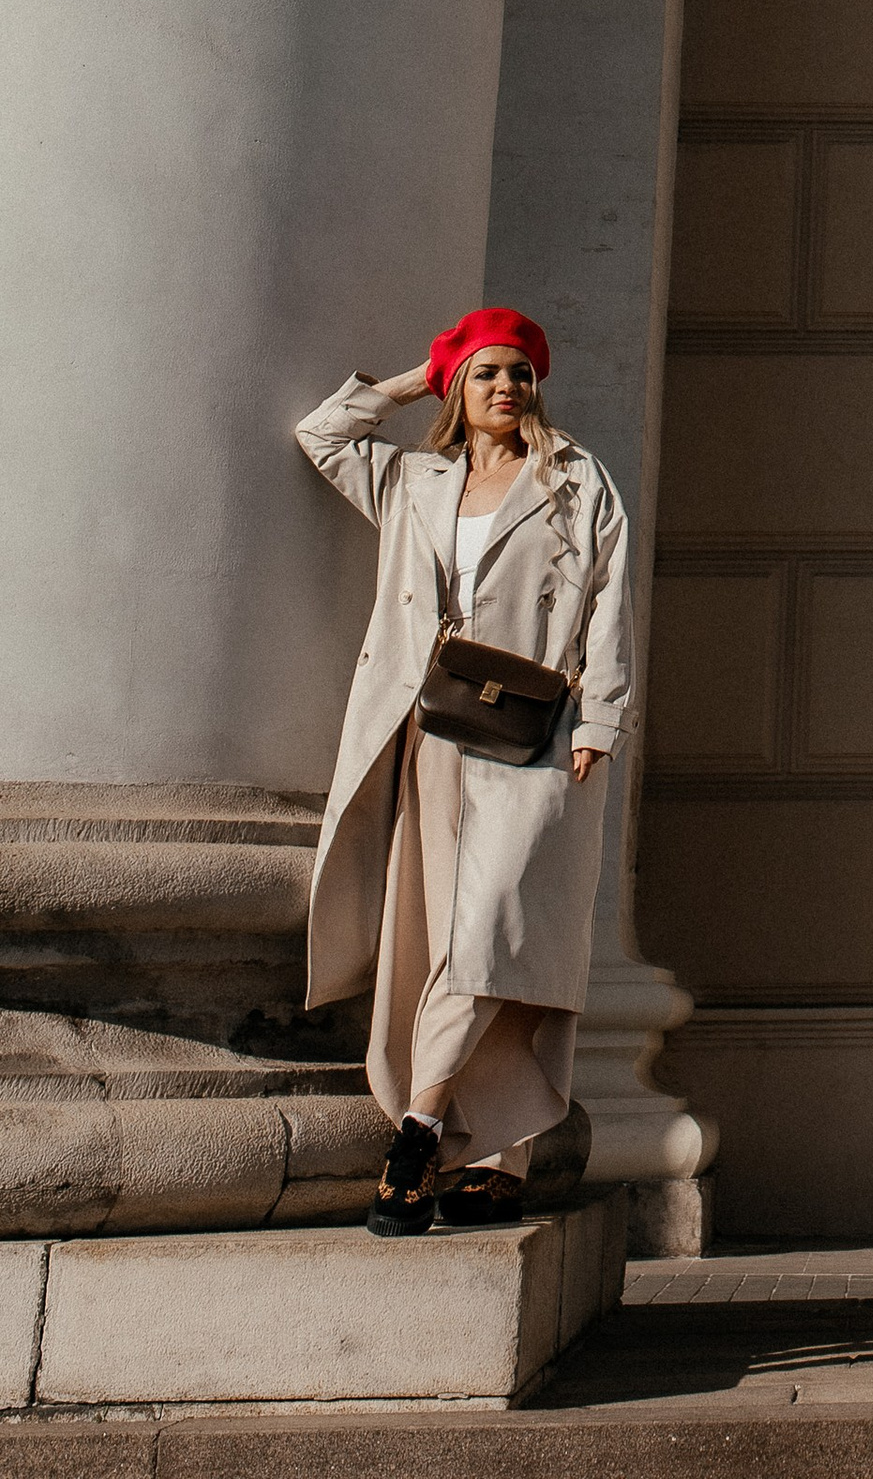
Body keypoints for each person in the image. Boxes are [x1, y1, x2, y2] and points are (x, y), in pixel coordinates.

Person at [296, 309, 630, 1237]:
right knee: (447, 934)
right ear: (458, 386)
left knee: (492, 931)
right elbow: (322, 436)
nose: (505, 389)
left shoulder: (574, 481)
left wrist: (602, 716)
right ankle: (492, 1156)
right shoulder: (416, 479)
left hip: (540, 735)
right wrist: (413, 375)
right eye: (484, 373)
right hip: (435, 729)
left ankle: (418, 1132)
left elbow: (609, 598)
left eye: (519, 373)